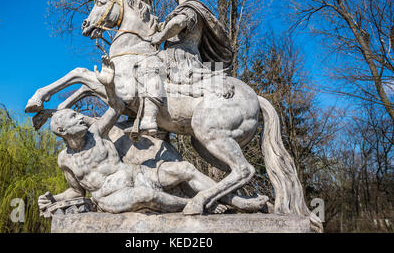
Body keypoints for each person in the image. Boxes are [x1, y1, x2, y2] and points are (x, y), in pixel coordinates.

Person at [38, 56, 267, 214]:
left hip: (138, 174)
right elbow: (76, 191)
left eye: (77, 115)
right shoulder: (65, 160)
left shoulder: (96, 132)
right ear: (62, 131)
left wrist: (109, 85)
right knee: (147, 197)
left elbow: (116, 108)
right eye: (73, 118)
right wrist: (54, 198)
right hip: (113, 195)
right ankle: (202, 203)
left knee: (185, 169)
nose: (81, 117)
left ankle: (236, 201)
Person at [138, 0, 234, 135]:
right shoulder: (172, 13)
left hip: (184, 58)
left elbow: (179, 23)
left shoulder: (193, 8)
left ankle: (150, 117)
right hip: (171, 56)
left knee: (149, 66)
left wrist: (159, 37)